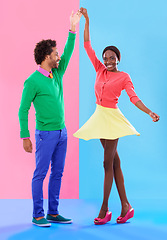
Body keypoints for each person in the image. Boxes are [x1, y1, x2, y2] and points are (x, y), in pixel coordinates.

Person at [74, 8, 160, 225]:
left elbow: (133, 97)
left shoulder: (124, 77)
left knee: (107, 163)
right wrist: (87, 20)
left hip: (112, 118)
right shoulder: (100, 70)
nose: (108, 60)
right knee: (115, 163)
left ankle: (104, 209)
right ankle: (126, 206)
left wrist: (149, 111)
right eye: (106, 58)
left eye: (112, 57)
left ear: (118, 59)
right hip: (99, 116)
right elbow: (86, 46)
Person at [18, 10, 82, 227]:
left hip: (62, 132)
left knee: (58, 173)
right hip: (45, 134)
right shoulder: (32, 81)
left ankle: (53, 212)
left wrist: (72, 28)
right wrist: (25, 136)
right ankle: (38, 215)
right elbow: (22, 110)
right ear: (46, 57)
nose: (58, 57)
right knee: (41, 173)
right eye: (55, 54)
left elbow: (69, 51)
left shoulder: (57, 73)